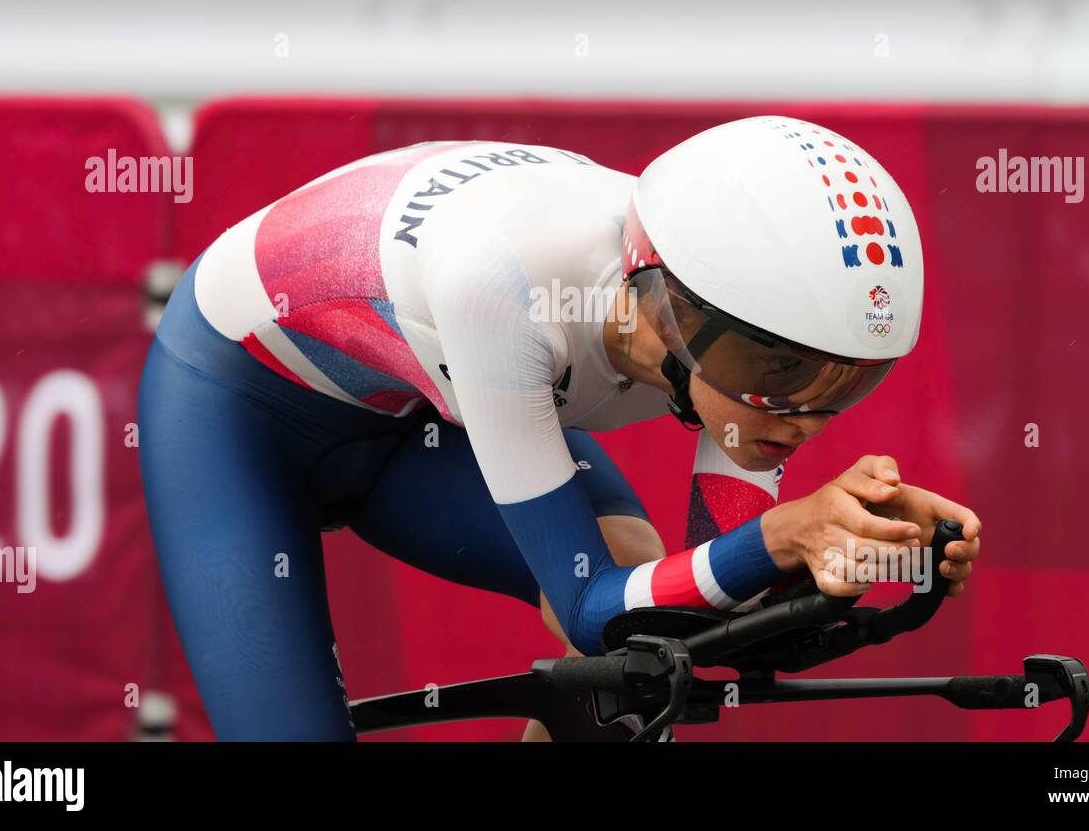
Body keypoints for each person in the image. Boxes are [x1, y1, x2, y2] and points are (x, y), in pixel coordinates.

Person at [136, 115, 981, 741]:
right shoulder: (503, 284)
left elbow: (710, 621)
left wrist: (871, 550)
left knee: (644, 667)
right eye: (785, 372)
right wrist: (787, 533)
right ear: (678, 315)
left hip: (424, 412)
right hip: (237, 416)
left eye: (850, 384)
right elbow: (587, 610)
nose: (805, 418)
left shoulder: (711, 320)